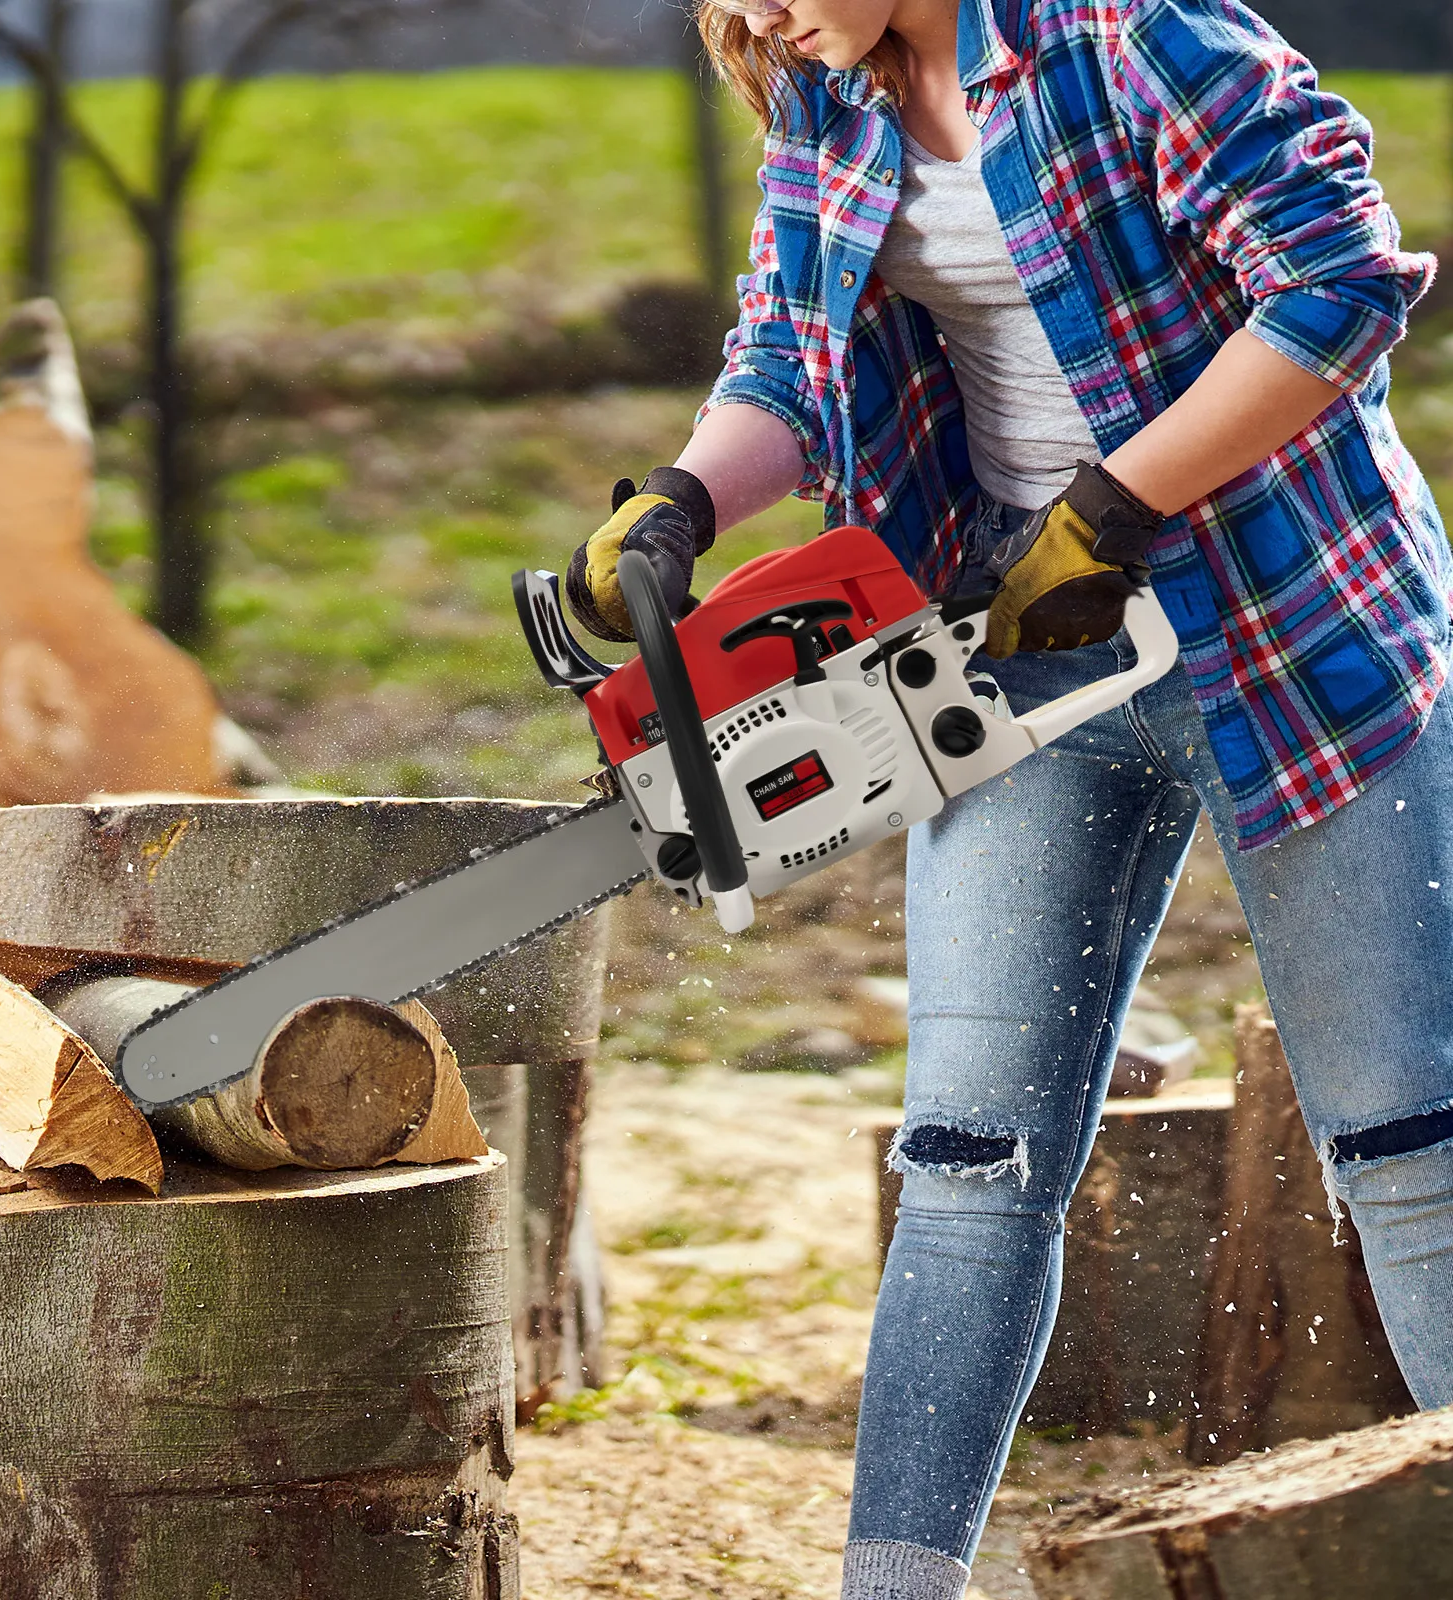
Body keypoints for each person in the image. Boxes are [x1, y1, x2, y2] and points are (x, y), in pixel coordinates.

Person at [564, 0, 1451, 1594]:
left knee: (1411, 1151)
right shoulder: (829, 96)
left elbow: (1339, 280)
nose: (756, 19)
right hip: (1017, 649)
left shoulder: (1139, 42)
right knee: (967, 1168)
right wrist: (683, 495)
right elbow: (785, 345)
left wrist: (1116, 502)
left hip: (1297, 636)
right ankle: (894, 1587)